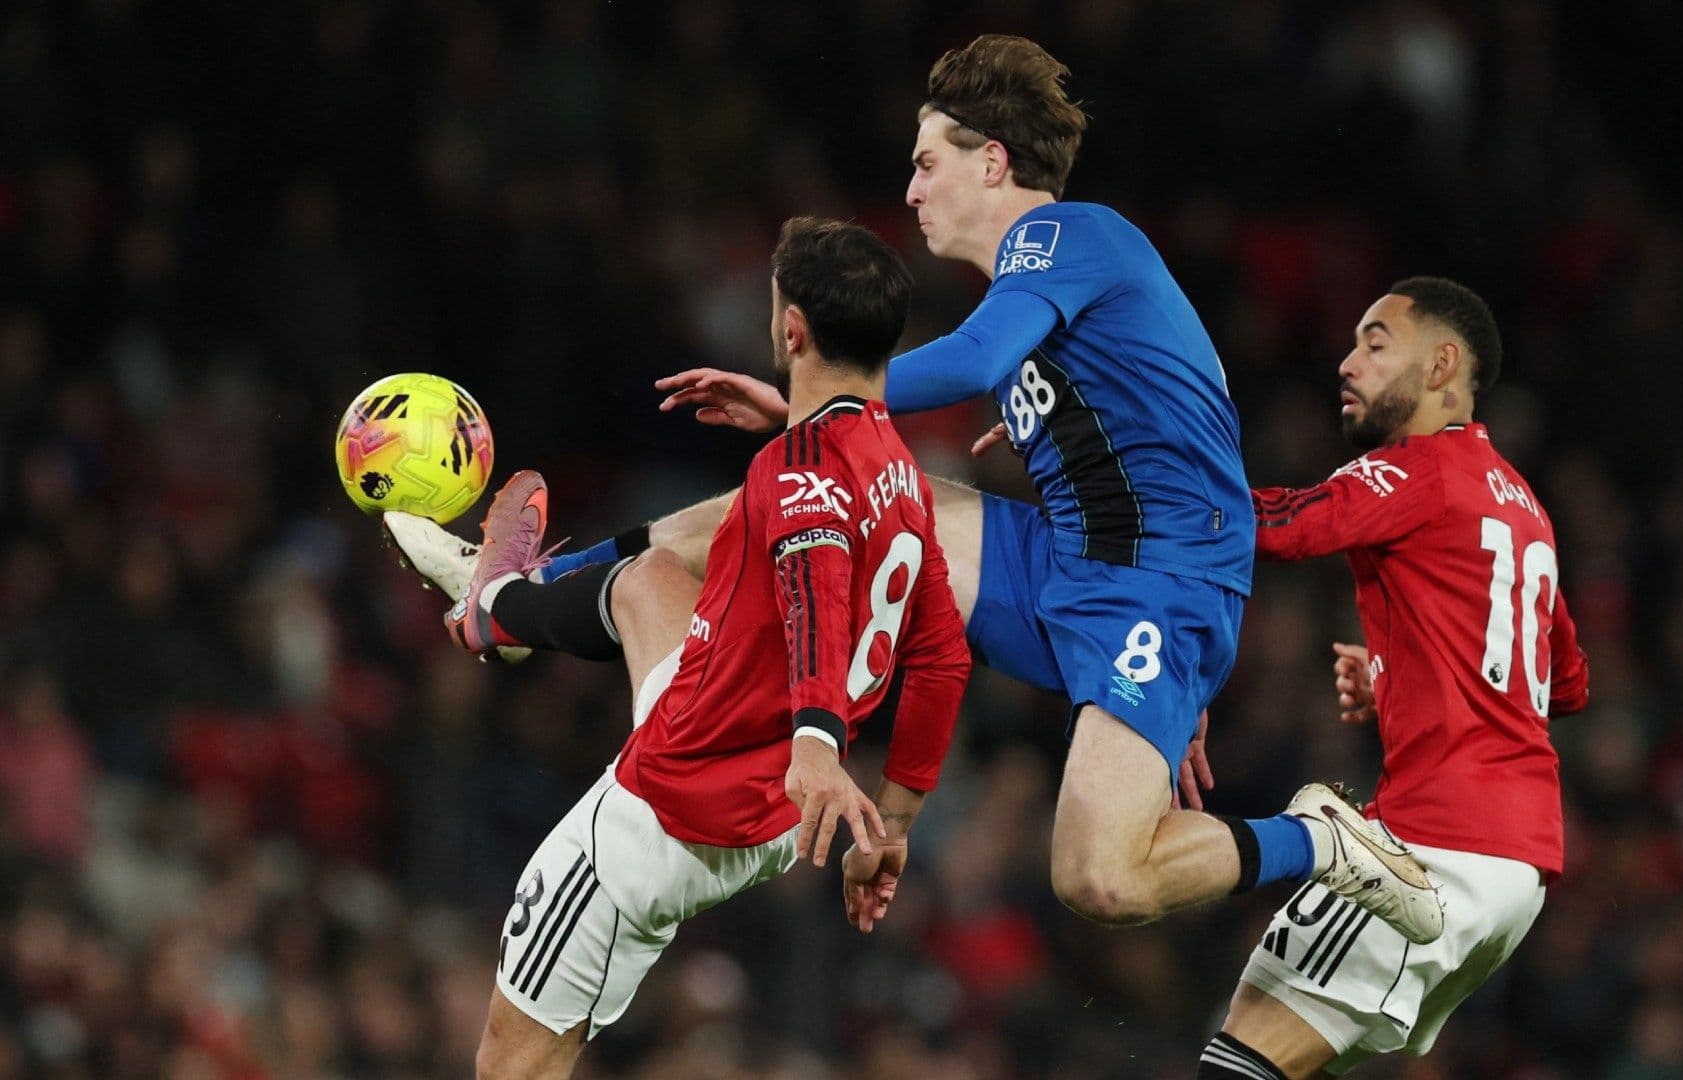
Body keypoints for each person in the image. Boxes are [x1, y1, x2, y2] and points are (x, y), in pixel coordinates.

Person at [391, 34, 1442, 943]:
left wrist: (814, 391)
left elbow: (987, 362)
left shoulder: (1067, 236)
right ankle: (517, 597)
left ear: (993, 161)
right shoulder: (1046, 303)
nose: (910, 190)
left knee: (1099, 877)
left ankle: (1324, 844)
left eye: (927, 163)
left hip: (1155, 593)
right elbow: (1134, 405)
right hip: (1068, 566)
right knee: (776, 505)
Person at [466, 217, 971, 1079]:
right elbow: (943, 660)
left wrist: (816, 746)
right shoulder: (903, 474)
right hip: (773, 809)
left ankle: (490, 608)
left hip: (675, 801)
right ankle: (499, 610)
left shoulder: (796, 470)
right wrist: (891, 827)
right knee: (650, 578)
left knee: (510, 1064)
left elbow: (813, 596)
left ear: (791, 329)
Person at [1195, 278, 1591, 1080]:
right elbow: (1563, 682)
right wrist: (1404, 674)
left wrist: (1117, 474)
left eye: (1375, 344)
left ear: (1444, 364)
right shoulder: (1522, 504)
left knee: (1236, 1067)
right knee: (1251, 1048)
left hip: (1437, 845)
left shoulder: (1420, 470)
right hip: (1517, 864)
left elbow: (1272, 526)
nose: (1348, 362)